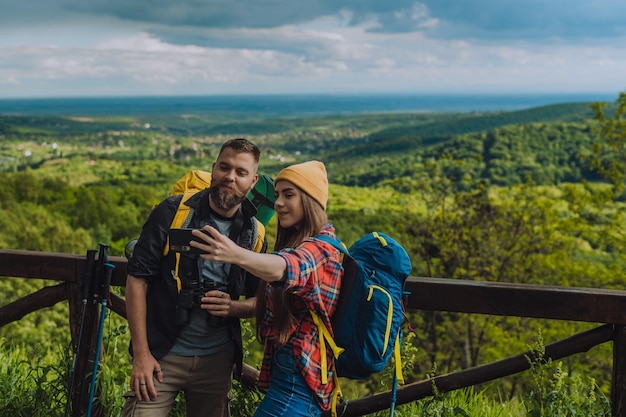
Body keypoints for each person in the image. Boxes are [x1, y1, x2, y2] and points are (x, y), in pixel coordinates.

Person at [122, 138, 267, 417]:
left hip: (217, 360)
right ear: (213, 168)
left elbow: (260, 299)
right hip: (161, 354)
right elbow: (137, 280)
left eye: (241, 172)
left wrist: (234, 307)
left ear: (253, 181)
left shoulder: (254, 232)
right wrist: (141, 354)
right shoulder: (174, 212)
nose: (230, 177)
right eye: (224, 167)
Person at [190, 160, 343, 417]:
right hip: (287, 382)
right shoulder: (299, 244)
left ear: (311, 200)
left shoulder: (322, 249)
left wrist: (234, 253)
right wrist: (234, 307)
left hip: (298, 387)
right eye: (278, 195)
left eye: (289, 195)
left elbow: (285, 269)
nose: (279, 203)